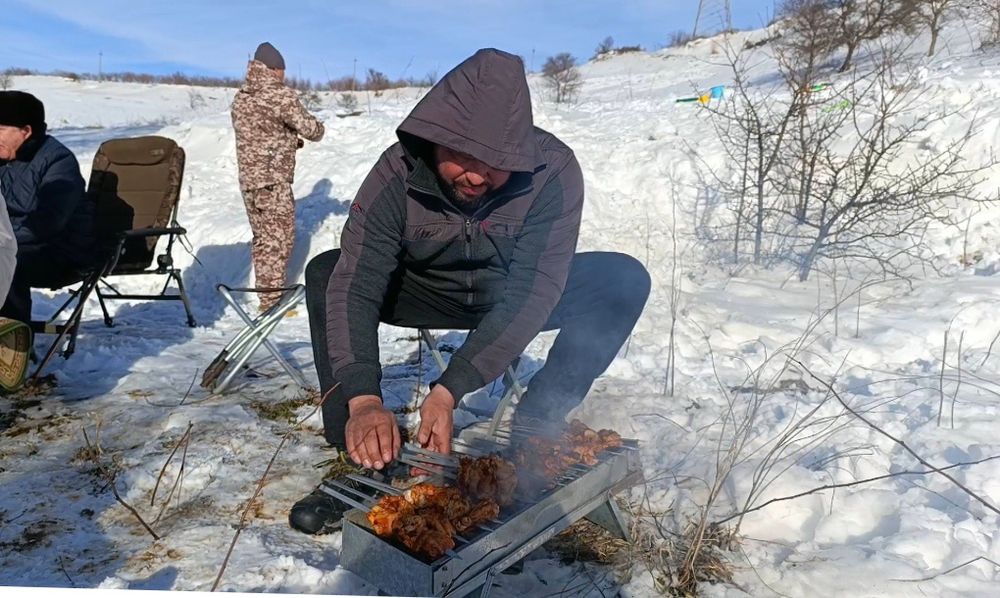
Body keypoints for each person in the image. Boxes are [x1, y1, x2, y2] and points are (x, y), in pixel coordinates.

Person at [289, 48, 650, 534]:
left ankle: (534, 429)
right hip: (424, 290)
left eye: (497, 164)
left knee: (622, 278)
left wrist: (449, 390)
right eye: (463, 157)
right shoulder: (396, 172)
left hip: (507, 298)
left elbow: (533, 289)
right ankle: (360, 452)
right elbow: (358, 282)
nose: (478, 176)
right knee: (328, 272)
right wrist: (363, 398)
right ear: (434, 138)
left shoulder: (553, 172)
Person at [231, 41, 325, 312]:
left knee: (263, 238)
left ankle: (266, 297)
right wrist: (318, 128)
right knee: (278, 239)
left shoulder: (242, 97)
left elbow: (261, 133)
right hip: (272, 181)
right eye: (282, 71)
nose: (285, 76)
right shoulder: (278, 94)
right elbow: (310, 129)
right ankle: (271, 303)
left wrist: (285, 141)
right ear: (274, 69)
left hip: (250, 182)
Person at [0, 90, 94, 324]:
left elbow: (48, 222)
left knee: (6, 260)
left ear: (26, 131)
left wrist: (5, 241)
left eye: (0, 129)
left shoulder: (57, 162)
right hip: (14, 241)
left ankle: (13, 345)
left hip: (60, 251)